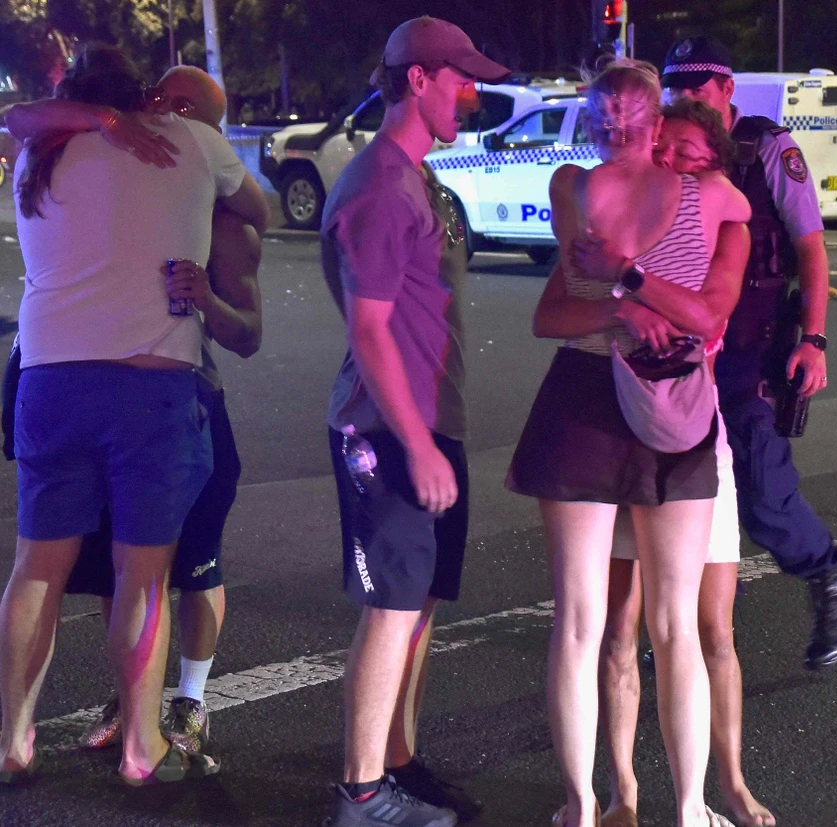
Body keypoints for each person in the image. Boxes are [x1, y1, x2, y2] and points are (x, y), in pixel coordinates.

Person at [0, 43, 268, 787]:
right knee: (141, 578)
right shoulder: (192, 140)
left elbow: (14, 114)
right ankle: (141, 748)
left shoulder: (36, 151)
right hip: (152, 386)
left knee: (35, 568)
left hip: (49, 380)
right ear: (138, 95)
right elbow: (260, 208)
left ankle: (14, 738)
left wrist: (97, 121)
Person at [506, 60, 750, 827]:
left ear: (589, 118)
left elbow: (558, 308)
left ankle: (583, 805)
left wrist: (616, 295)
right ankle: (688, 806)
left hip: (581, 397)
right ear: (656, 122)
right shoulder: (711, 196)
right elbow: (711, 300)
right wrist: (636, 302)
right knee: (675, 625)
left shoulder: (571, 190)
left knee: (578, 621)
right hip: (671, 402)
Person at [319, 17, 508, 827]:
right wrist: (420, 442)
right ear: (422, 78)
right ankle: (361, 792)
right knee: (393, 604)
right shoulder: (378, 187)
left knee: (418, 602)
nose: (472, 93)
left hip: (430, 422)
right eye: (462, 78)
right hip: (390, 430)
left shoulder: (416, 177)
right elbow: (370, 329)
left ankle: (395, 762)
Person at [584, 101, 773, 827]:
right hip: (623, 425)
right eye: (665, 145)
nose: (672, 158)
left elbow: (711, 312)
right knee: (618, 624)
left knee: (712, 629)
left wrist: (627, 278)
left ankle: (727, 784)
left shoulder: (723, 221)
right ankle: (621, 793)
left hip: (698, 433)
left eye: (690, 151)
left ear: (715, 163)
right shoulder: (631, 208)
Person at [661, 37, 837, 670]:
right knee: (683, 494)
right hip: (686, 352)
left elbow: (810, 250)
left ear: (727, 91)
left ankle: (833, 585)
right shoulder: (670, 151)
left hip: (752, 351)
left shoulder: (768, 148)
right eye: (674, 97)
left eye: (697, 95)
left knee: (762, 493)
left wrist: (813, 340)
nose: (685, 109)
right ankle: (692, 629)